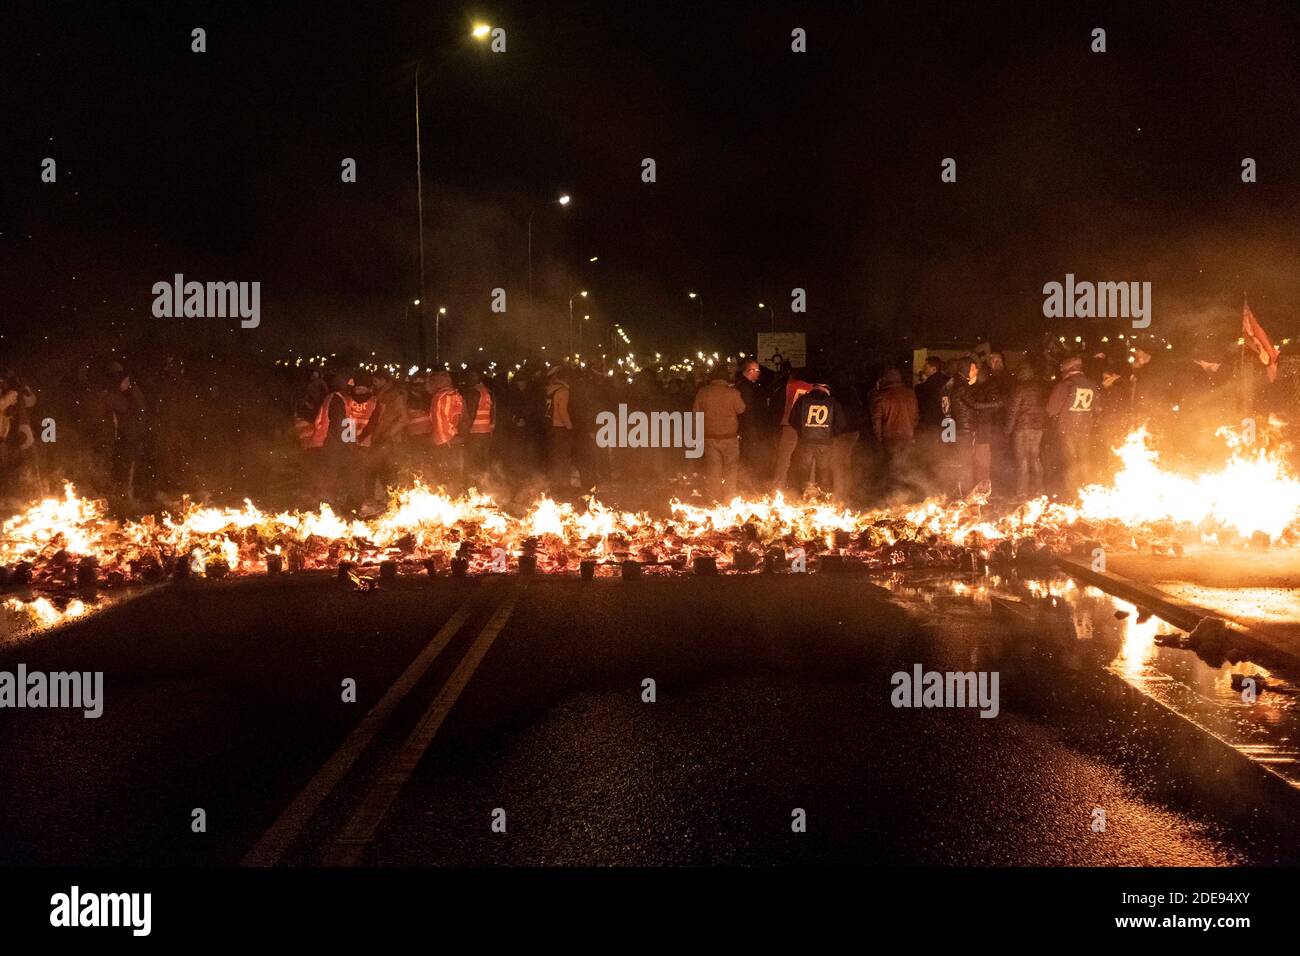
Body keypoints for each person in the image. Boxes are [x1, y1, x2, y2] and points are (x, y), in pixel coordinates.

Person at [941, 357, 1001, 496]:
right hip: (964, 429)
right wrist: (997, 404)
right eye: (973, 368)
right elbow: (974, 405)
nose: (976, 371)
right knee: (965, 462)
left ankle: (957, 492)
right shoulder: (962, 387)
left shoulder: (952, 384)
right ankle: (965, 493)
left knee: (957, 460)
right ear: (965, 369)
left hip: (953, 426)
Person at [1046, 355, 1098, 495]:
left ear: (1068, 369)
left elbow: (1051, 409)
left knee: (1070, 461)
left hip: (1067, 428)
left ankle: (1074, 492)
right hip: (1085, 427)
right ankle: (1088, 488)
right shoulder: (1092, 384)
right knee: (1084, 458)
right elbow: (1098, 408)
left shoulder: (1064, 385)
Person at [693, 369, 746, 500]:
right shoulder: (733, 392)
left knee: (713, 469)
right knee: (731, 469)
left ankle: (713, 498)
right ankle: (729, 498)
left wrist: (696, 435)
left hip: (709, 437)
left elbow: (695, 413)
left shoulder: (703, 392)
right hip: (729, 437)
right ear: (726, 378)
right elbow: (741, 409)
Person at [789, 378, 844, 493]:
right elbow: (841, 423)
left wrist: (802, 431)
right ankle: (824, 498)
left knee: (803, 471)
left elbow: (792, 420)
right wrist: (831, 434)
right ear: (826, 389)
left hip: (806, 441)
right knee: (824, 472)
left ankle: (800, 497)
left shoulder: (802, 400)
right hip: (825, 444)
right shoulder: (833, 402)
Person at [1004, 362, 1048, 498]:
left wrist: (1008, 429)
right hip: (1038, 428)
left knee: (1022, 459)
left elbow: (1013, 410)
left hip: (1022, 427)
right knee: (1035, 458)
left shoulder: (1019, 388)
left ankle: (1022, 492)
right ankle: (1039, 490)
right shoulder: (1042, 387)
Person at [870, 367, 919, 489]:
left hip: (890, 438)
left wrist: (879, 438)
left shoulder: (882, 396)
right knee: (905, 466)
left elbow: (876, 420)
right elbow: (916, 417)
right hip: (907, 436)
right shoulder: (910, 394)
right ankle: (905, 493)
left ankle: (893, 495)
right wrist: (911, 430)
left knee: (891, 467)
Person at [773, 368, 815, 491]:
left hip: (788, 425)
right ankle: (810, 488)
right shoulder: (812, 387)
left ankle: (777, 487)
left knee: (784, 458)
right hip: (805, 427)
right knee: (807, 459)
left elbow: (777, 404)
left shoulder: (789, 385)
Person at [460, 370, 496, 486]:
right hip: (486, 432)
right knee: (483, 461)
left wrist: (465, 431)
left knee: (471, 461)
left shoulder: (472, 393)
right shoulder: (488, 392)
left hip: (474, 432)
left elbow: (469, 414)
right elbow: (493, 413)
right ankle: (485, 486)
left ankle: (471, 486)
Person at [735, 359, 766, 485]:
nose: (759, 373)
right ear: (749, 371)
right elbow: (747, 410)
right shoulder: (746, 387)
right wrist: (751, 428)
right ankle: (749, 483)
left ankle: (748, 482)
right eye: (756, 370)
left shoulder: (746, 385)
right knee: (750, 455)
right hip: (749, 428)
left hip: (748, 427)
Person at [544, 366, 574, 489]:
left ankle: (553, 482)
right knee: (563, 456)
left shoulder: (549, 390)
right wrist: (570, 427)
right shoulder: (563, 391)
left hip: (549, 426)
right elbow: (562, 411)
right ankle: (563, 483)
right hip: (560, 427)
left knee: (554, 456)